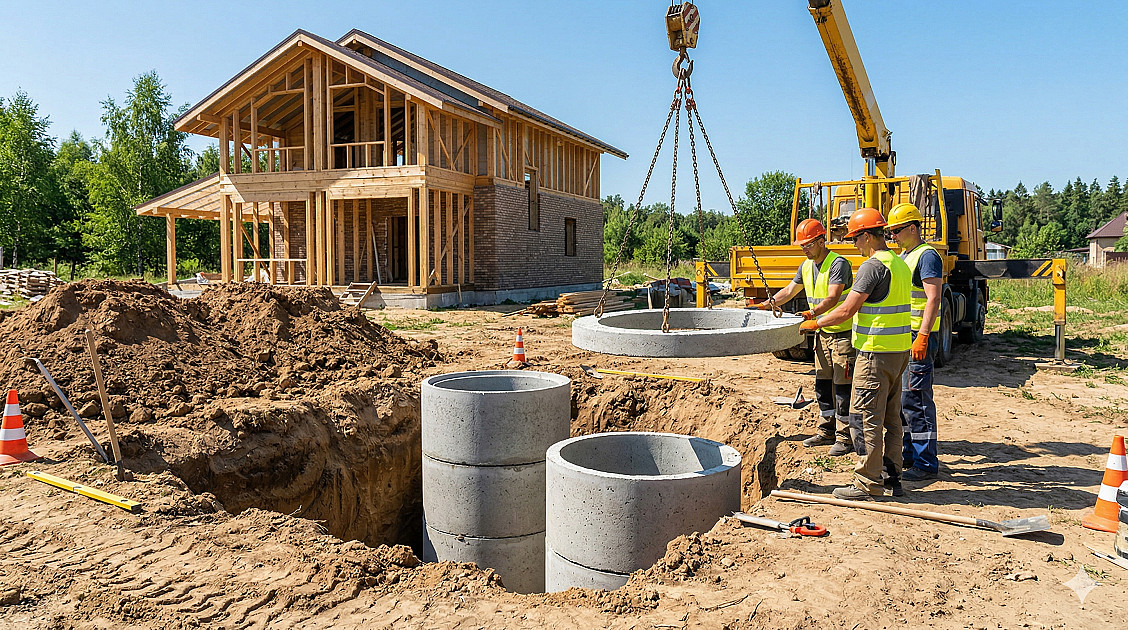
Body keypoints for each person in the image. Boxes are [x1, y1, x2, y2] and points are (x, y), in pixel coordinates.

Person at [799, 208, 912, 500]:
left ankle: (867, 483)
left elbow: (848, 309)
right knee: (892, 419)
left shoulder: (872, 267)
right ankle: (892, 477)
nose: (853, 245)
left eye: (855, 238)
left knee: (864, 417)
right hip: (898, 353)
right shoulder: (898, 264)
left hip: (874, 354)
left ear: (866, 236)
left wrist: (816, 321)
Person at [752, 218, 855, 455]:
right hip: (822, 334)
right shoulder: (806, 266)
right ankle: (826, 430)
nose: (804, 249)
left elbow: (832, 297)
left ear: (821, 240)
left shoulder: (838, 264)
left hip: (842, 334)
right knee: (823, 384)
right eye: (802, 245)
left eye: (808, 244)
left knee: (843, 388)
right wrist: (766, 305)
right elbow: (790, 291)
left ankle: (845, 437)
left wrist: (811, 313)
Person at [886, 203, 943, 481]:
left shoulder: (927, 256)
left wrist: (922, 336)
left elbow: (933, 298)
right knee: (903, 400)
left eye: (896, 230)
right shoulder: (906, 256)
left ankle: (925, 463)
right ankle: (909, 456)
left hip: (917, 337)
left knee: (917, 399)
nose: (892, 236)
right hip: (903, 337)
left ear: (912, 227)